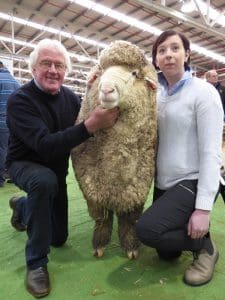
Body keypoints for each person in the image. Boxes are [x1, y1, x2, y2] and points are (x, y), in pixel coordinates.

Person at [6, 38, 119, 298]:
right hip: (25, 165)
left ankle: (22, 207)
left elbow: (86, 121)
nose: (53, 70)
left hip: (56, 174)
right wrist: (91, 125)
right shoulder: (20, 100)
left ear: (66, 70)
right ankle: (36, 263)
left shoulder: (69, 98)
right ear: (34, 68)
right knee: (43, 182)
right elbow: (45, 145)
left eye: (59, 65)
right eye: (46, 63)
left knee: (58, 238)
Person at [136, 30, 223, 286]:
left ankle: (204, 246)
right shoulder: (157, 94)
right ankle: (191, 235)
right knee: (167, 253)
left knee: (146, 231)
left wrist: (203, 208)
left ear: (187, 54)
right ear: (156, 60)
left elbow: (211, 152)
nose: (168, 55)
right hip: (165, 182)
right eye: (161, 50)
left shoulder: (204, 93)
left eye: (175, 48)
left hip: (193, 179)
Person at [0, 61, 20, 187]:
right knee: (11, 149)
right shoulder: (16, 82)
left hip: (1, 120)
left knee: (2, 149)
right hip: (13, 122)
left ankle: (0, 179)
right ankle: (13, 175)